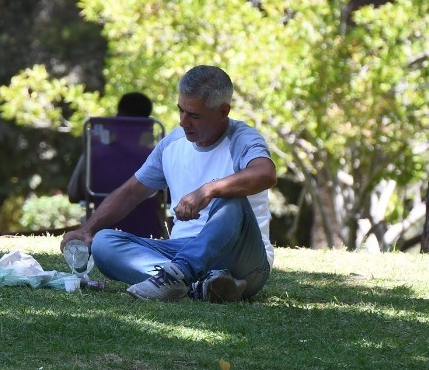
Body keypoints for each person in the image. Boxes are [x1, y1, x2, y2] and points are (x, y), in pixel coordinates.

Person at [60, 66, 276, 302]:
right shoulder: (172, 142)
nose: (184, 122)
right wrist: (87, 229)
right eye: (180, 111)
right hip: (180, 250)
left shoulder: (243, 137)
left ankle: (180, 277)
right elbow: (132, 192)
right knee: (104, 243)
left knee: (229, 196)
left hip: (242, 259)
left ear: (223, 111)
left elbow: (265, 174)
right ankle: (200, 285)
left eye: (194, 115)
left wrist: (208, 189)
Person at [66, 91, 154, 204]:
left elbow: (73, 195)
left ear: (117, 119)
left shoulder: (94, 155)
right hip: (147, 220)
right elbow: (170, 198)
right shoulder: (155, 158)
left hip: (105, 221)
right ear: (147, 125)